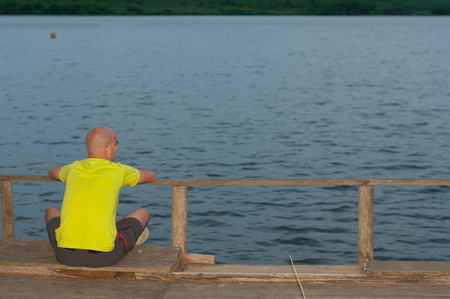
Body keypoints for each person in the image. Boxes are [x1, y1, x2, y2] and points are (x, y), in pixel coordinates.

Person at [45, 126, 156, 267]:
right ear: (107, 150)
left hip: (66, 256)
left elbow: (51, 172)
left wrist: (69, 171)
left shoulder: (73, 169)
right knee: (142, 214)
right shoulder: (119, 171)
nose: (117, 149)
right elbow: (151, 176)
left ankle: (104, 229)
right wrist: (135, 171)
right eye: (116, 144)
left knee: (51, 211)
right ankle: (121, 232)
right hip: (102, 257)